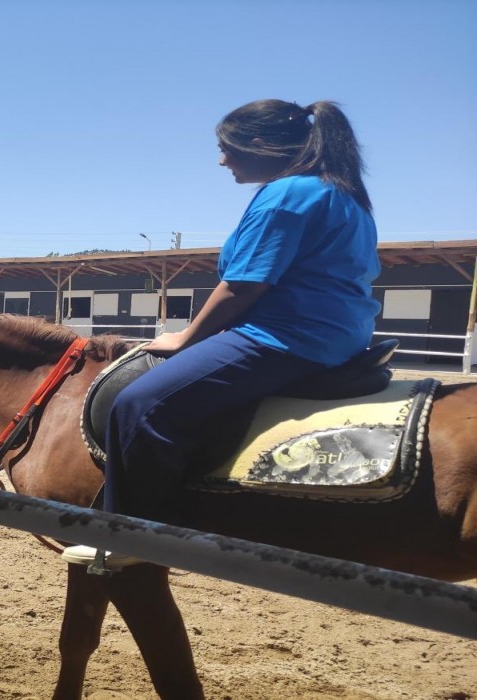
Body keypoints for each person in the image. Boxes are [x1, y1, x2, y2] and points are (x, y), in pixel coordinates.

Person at [64, 100, 380, 569]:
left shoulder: (287, 195)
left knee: (139, 403)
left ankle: (134, 535)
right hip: (339, 334)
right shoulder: (341, 193)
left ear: (259, 145)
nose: (221, 160)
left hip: (284, 335)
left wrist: (187, 337)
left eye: (226, 148)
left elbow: (243, 285)